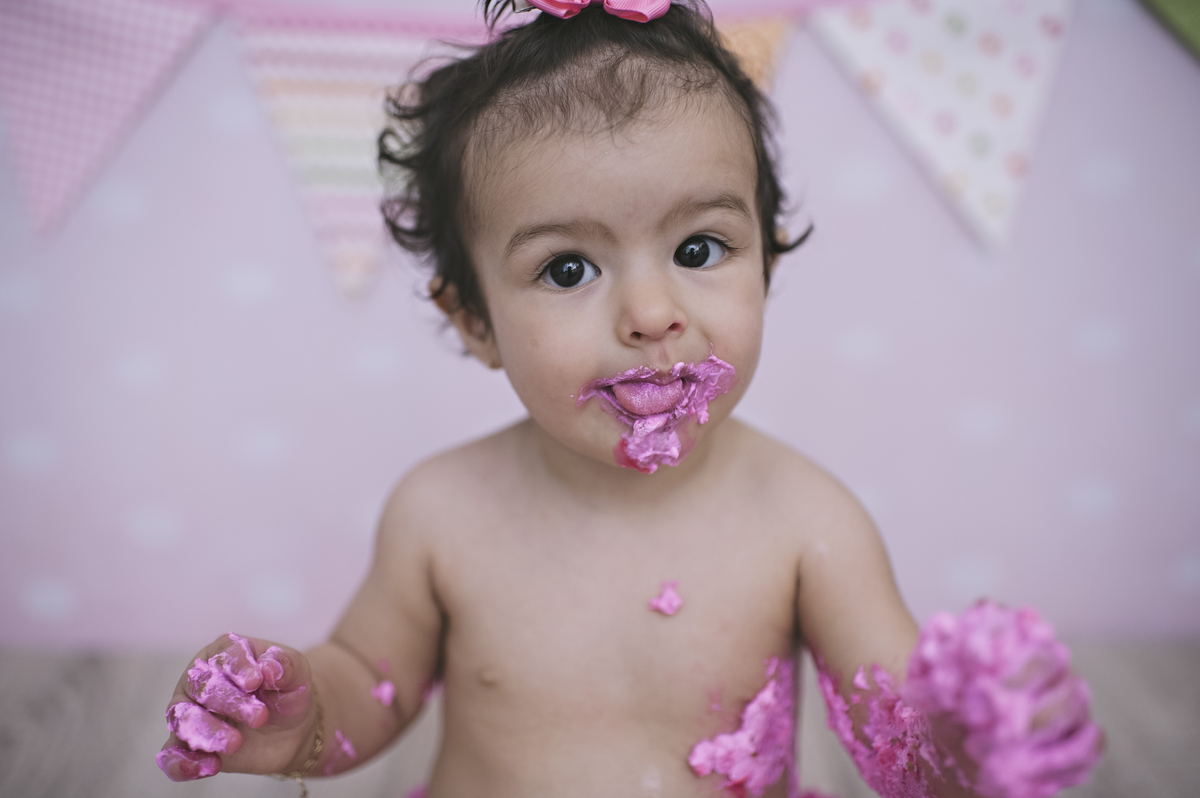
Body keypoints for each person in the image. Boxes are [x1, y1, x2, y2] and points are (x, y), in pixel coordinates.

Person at [156, 2, 1101, 796]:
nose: (652, 313)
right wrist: (307, 713)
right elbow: (373, 682)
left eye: (700, 249)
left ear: (766, 263)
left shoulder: (807, 523)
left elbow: (901, 740)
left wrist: (979, 738)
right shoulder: (439, 512)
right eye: (568, 268)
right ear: (475, 320)